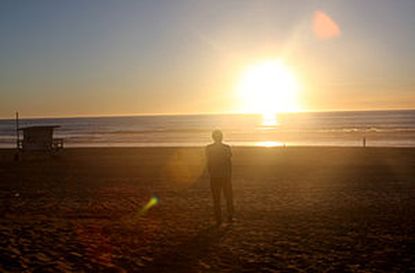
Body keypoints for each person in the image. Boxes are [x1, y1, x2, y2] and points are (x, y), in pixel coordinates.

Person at [205, 129, 234, 225]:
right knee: (228, 196)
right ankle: (230, 216)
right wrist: (229, 173)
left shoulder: (209, 148)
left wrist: (210, 172)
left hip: (215, 175)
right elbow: (229, 161)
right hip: (225, 175)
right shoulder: (226, 148)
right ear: (221, 137)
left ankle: (218, 219)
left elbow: (209, 162)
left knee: (216, 198)